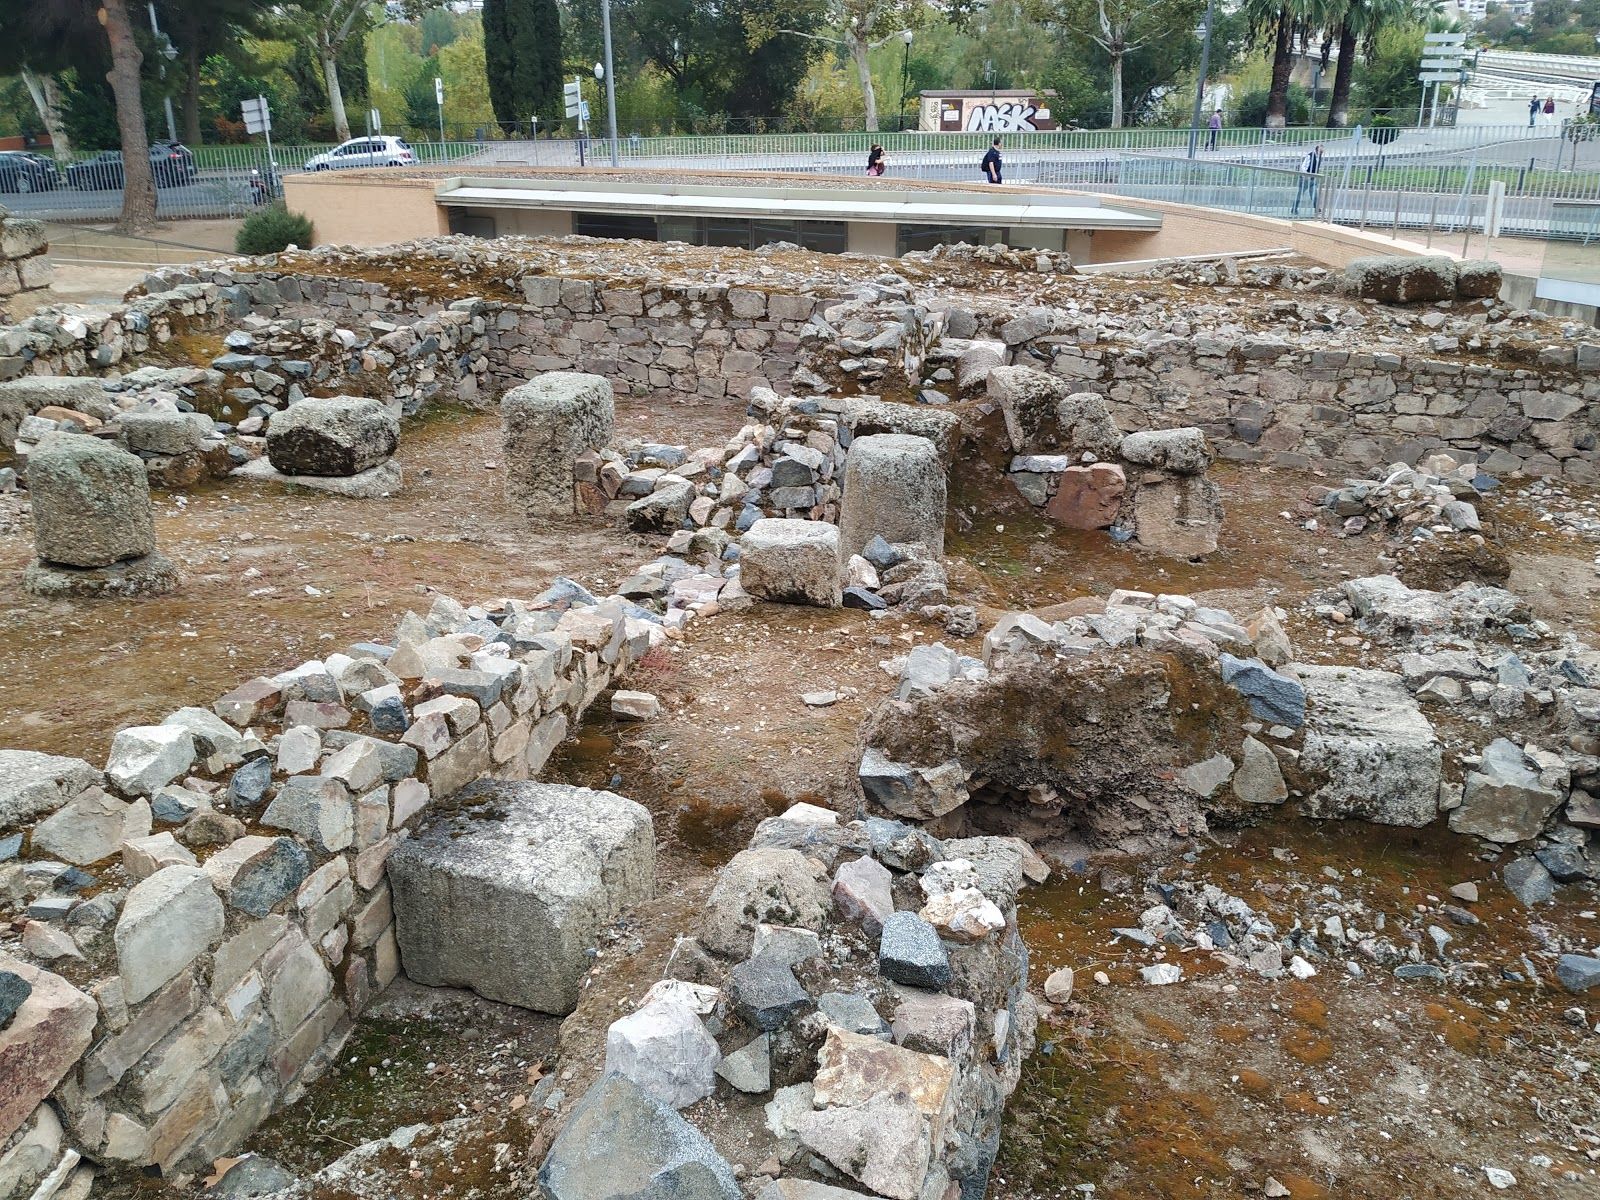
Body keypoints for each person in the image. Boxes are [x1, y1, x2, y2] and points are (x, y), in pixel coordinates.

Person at [1292, 143, 1323, 216]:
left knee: (1314, 195)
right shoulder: (1310, 156)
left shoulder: (1319, 157)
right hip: (1305, 179)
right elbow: (1303, 167)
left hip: (1313, 179)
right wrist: (1306, 175)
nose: (1322, 152)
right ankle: (1294, 208)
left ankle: (1316, 209)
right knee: (1300, 194)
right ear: (1317, 150)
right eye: (1321, 151)